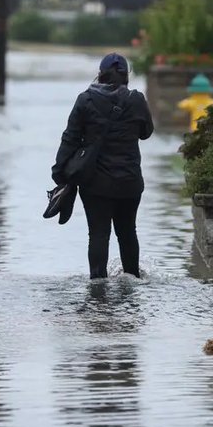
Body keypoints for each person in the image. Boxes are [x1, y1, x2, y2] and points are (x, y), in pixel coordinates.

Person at [52, 53, 154, 280]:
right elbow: (146, 133)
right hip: (129, 180)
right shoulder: (136, 100)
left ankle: (97, 286)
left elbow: (70, 138)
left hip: (95, 182)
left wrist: (59, 173)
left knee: (98, 234)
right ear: (126, 76)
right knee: (128, 232)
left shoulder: (86, 99)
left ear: (100, 74)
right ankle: (132, 280)